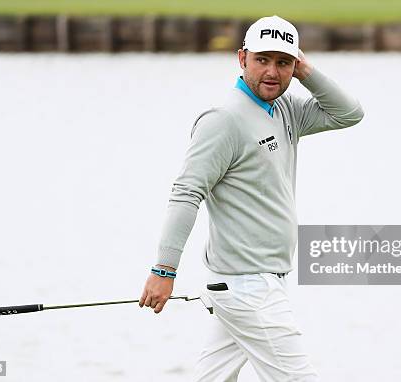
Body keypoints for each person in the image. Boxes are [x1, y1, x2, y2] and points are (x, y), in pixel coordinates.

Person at [139, 15, 364, 381]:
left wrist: (306, 71)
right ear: (242, 58)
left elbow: (349, 113)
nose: (272, 72)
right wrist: (163, 270)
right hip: (247, 287)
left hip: (255, 281)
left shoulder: (286, 108)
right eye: (262, 60)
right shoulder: (223, 119)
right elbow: (185, 194)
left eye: (284, 62)